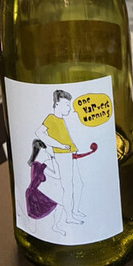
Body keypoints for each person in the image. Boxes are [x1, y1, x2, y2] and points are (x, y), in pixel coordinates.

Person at [35, 89, 85, 225]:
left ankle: (74, 210)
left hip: (70, 154)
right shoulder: (51, 118)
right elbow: (39, 132)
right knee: (68, 186)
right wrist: (60, 146)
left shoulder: (60, 119)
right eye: (66, 104)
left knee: (79, 184)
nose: (69, 108)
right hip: (62, 155)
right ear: (57, 104)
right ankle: (69, 216)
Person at [25, 139, 66, 236]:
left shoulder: (35, 164)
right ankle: (55, 226)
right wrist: (53, 159)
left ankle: (48, 228)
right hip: (35, 195)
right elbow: (56, 175)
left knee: (35, 216)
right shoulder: (40, 165)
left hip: (31, 192)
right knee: (60, 205)